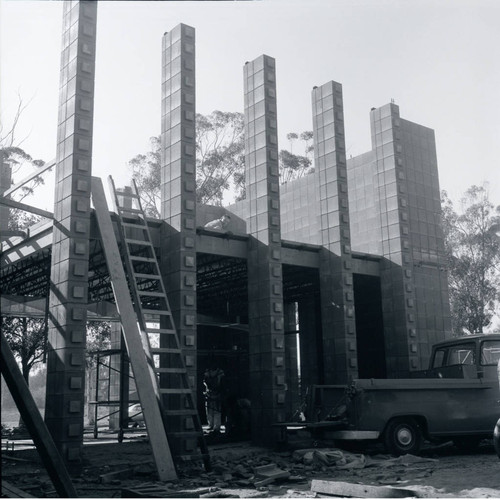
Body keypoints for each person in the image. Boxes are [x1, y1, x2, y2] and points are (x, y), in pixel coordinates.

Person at [203, 367, 225, 433]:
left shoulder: (220, 373)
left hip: (217, 393)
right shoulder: (207, 372)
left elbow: (222, 383)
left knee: (216, 410)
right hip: (209, 393)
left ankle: (216, 427)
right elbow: (205, 382)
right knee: (210, 410)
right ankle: (211, 425)